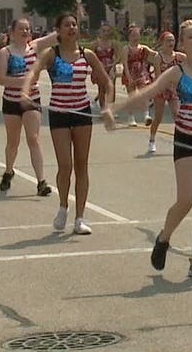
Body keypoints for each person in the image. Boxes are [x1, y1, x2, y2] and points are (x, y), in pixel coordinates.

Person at [104, 19, 192, 279]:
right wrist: (114, 110)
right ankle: (164, 238)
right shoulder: (177, 72)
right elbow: (147, 93)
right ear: (183, 43)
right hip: (187, 139)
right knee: (186, 199)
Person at [21, 13, 111, 235]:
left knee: (82, 165)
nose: (71, 28)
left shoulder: (87, 55)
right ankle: (63, 206)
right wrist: (25, 93)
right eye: (66, 25)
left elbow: (106, 82)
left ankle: (80, 218)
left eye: (74, 24)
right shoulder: (52, 54)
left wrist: (107, 106)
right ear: (58, 31)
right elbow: (32, 73)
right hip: (60, 114)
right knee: (65, 165)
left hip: (81, 113)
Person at [0, 18, 58, 195]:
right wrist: (24, 81)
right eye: (21, 29)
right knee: (13, 142)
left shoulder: (34, 47)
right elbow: (1, 79)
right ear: (12, 32)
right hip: (12, 101)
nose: (25, 32)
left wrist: (75, 13)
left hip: (32, 101)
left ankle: (41, 182)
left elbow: (56, 36)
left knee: (33, 138)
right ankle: (9, 171)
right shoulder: (5, 52)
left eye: (28, 29)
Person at [146, 31, 185, 153]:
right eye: (168, 41)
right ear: (162, 42)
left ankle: (180, 141)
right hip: (161, 89)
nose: (171, 43)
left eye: (173, 40)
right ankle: (152, 140)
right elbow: (158, 77)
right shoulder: (158, 57)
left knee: (177, 115)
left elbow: (191, 63)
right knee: (158, 117)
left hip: (174, 90)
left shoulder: (179, 56)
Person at [120, 24, 158, 126]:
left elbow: (154, 53)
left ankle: (146, 116)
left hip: (141, 74)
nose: (136, 37)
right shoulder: (126, 48)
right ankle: (131, 118)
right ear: (129, 36)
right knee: (132, 97)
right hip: (130, 74)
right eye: (133, 35)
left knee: (144, 95)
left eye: (137, 35)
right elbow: (125, 64)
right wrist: (128, 77)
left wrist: (163, 51)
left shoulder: (143, 48)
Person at [92, 22, 121, 110]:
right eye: (104, 31)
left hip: (111, 68)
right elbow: (91, 56)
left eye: (108, 31)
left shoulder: (113, 43)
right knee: (101, 89)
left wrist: (113, 65)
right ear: (100, 32)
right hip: (100, 68)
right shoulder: (95, 43)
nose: (106, 33)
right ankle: (103, 109)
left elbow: (119, 57)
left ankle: (111, 109)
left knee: (111, 89)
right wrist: (96, 66)